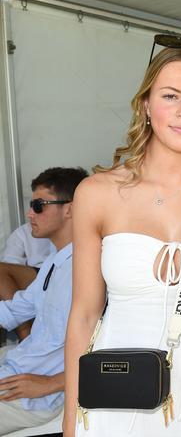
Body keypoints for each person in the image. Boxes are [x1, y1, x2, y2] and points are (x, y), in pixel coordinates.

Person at [63, 40, 181, 436]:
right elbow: (83, 315)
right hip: (119, 393)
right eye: (171, 96)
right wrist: (71, 419)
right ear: (146, 105)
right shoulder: (97, 193)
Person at [0, 167, 87, 435]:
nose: (29, 214)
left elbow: (110, 346)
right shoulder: (54, 262)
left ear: (70, 209)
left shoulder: (88, 268)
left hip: (31, 397)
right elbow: (13, 310)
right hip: (14, 372)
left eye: (39, 205)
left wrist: (53, 383)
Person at [0, 222, 54, 340]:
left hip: (52, 275)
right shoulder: (23, 233)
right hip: (36, 279)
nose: (30, 213)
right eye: (31, 206)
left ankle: (26, 337)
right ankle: (26, 337)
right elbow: (9, 266)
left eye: (39, 206)